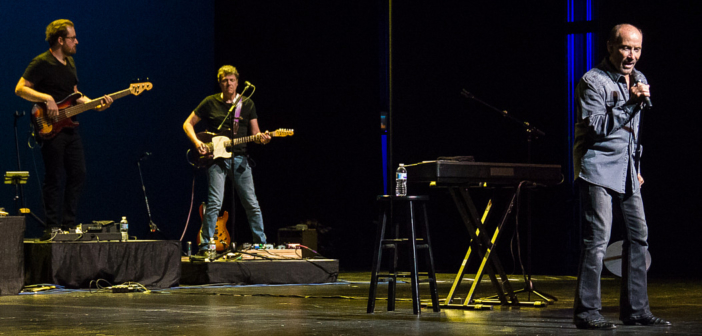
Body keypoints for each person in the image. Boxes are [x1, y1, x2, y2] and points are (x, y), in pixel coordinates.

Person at [572, 24, 670, 329]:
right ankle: (587, 312)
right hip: (598, 167)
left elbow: (633, 134)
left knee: (639, 237)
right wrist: (631, 103)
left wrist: (636, 168)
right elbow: (598, 127)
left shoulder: (639, 79)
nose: (632, 55)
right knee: (597, 240)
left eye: (637, 49)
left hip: (626, 169)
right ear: (611, 47)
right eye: (626, 48)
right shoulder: (593, 81)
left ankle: (636, 310)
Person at [15, 19, 113, 239]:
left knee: (79, 173)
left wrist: (96, 104)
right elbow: (20, 88)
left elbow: (75, 94)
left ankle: (68, 225)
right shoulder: (41, 62)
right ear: (60, 40)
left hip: (70, 127)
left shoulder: (70, 63)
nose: (76, 41)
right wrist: (46, 98)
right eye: (72, 38)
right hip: (50, 127)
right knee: (54, 176)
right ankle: (51, 226)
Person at [183, 65, 271, 256]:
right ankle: (205, 246)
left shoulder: (247, 104)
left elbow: (256, 133)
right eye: (224, 80)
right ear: (220, 82)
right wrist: (198, 143)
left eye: (231, 80)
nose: (228, 83)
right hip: (216, 159)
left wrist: (262, 138)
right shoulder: (210, 102)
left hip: (240, 159)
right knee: (214, 202)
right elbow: (187, 123)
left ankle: (261, 244)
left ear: (237, 82)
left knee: (251, 203)